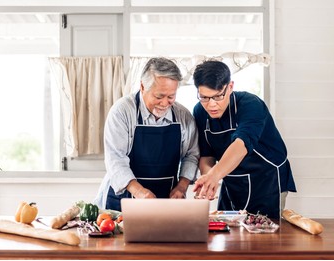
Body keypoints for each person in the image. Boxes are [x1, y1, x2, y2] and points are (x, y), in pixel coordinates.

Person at [192, 60, 296, 219]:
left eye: (218, 96)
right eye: (204, 97)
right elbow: (207, 155)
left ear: (230, 87)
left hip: (267, 181)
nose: (211, 105)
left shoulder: (250, 104)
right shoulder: (199, 111)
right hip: (231, 181)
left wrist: (214, 175)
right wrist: (208, 181)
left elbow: (241, 145)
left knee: (264, 237)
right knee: (227, 235)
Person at [94, 57, 200, 211]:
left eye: (171, 96)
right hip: (122, 200)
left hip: (166, 198)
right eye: (159, 96)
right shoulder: (122, 112)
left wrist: (182, 187)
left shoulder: (184, 116)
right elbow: (115, 158)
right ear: (143, 87)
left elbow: (191, 155)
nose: (165, 103)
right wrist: (139, 192)